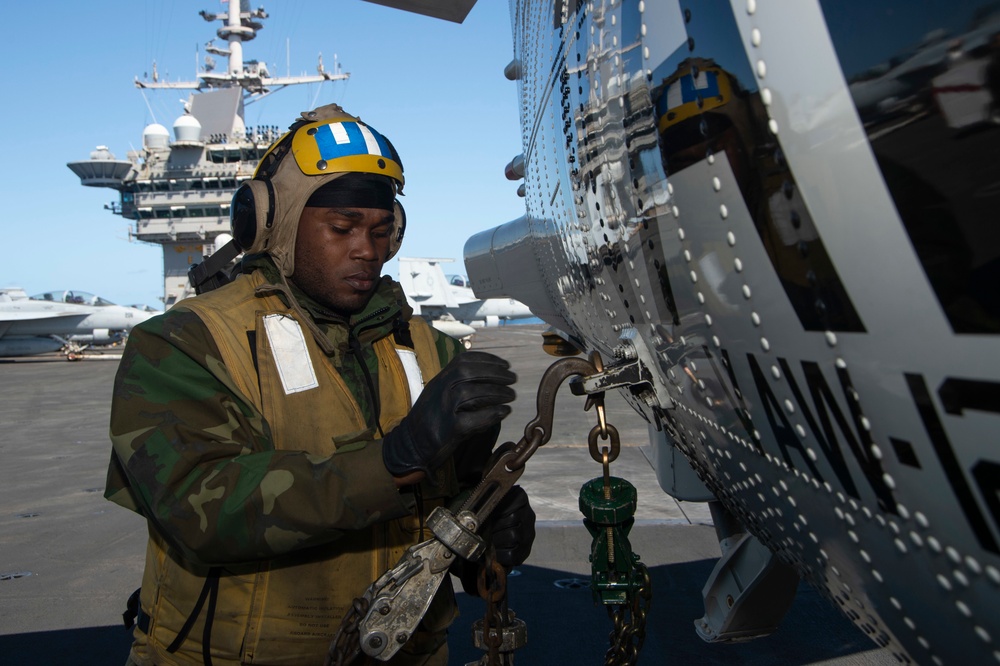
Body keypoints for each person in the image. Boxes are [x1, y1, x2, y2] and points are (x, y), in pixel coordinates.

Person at [106, 103, 536, 666]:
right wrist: (392, 461)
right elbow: (198, 508)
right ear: (273, 224)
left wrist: (485, 537)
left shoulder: (435, 352)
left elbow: (451, 514)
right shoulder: (184, 344)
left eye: (383, 231)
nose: (367, 249)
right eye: (342, 228)